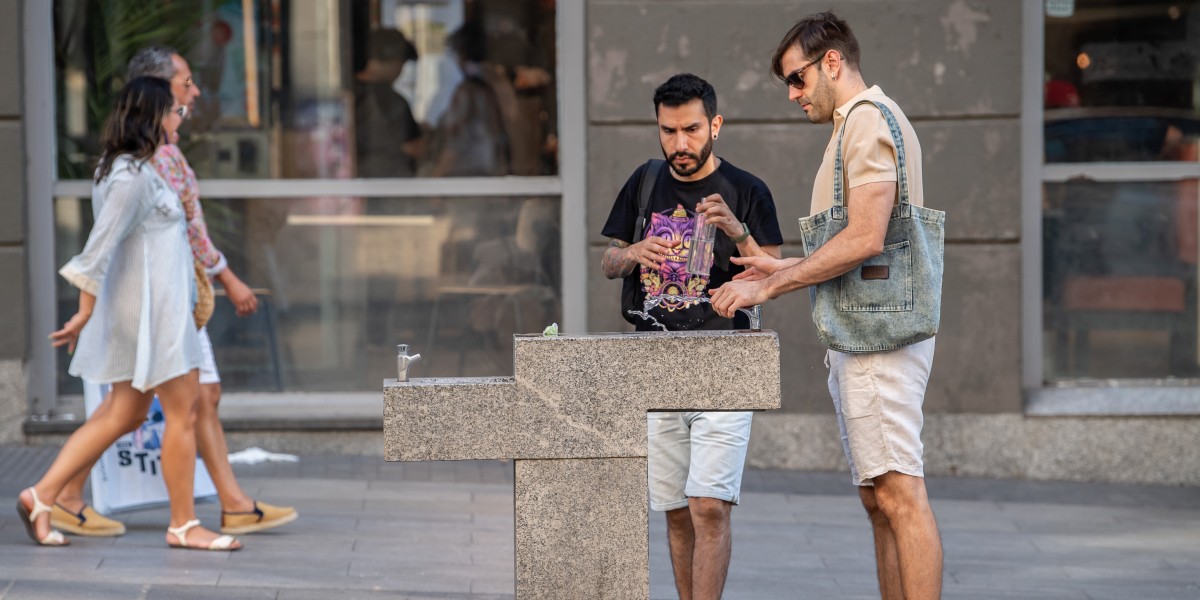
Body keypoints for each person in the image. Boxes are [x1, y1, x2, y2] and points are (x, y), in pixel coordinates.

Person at [709, 12, 944, 599]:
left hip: (877, 340)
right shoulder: (859, 122)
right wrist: (782, 265)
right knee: (879, 497)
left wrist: (768, 288)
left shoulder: (865, 122)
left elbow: (865, 236)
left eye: (796, 78)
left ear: (831, 62)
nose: (793, 94)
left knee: (899, 494)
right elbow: (868, 248)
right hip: (869, 332)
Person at [49, 46, 297, 539]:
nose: (192, 97)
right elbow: (125, 243)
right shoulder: (138, 167)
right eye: (182, 91)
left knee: (146, 407)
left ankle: (56, 494)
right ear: (155, 103)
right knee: (169, 406)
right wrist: (224, 275)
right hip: (159, 308)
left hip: (167, 303)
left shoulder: (144, 161)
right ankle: (180, 518)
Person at [18, 77, 239, 551]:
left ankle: (42, 495)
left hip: (151, 313)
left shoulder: (133, 169)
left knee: (124, 412)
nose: (181, 118)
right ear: (151, 116)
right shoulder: (129, 177)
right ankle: (183, 525)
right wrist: (83, 313)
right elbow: (97, 249)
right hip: (152, 319)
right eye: (174, 111)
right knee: (184, 411)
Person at [600, 73, 783, 600]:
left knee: (708, 504)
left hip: (725, 357)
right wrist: (631, 253)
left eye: (692, 130)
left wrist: (736, 231)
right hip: (655, 358)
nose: (680, 144)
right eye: (669, 130)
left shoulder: (748, 190)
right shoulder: (644, 180)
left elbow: (776, 273)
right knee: (677, 510)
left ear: (716, 125)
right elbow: (609, 260)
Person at [354, 29, 423, 178]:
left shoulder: (345, 91)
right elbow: (412, 147)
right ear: (395, 61)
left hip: (352, 183)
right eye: (402, 64)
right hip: (387, 185)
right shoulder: (393, 102)